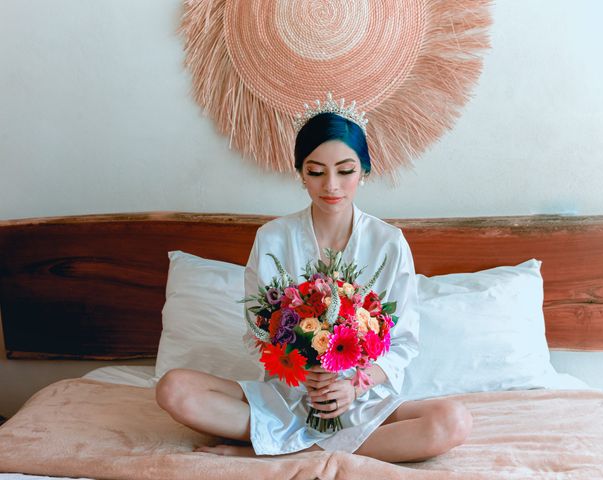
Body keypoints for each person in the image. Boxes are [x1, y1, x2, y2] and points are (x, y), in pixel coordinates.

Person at [155, 94, 473, 463]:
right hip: (286, 395)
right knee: (173, 389)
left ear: (364, 171)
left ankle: (287, 447)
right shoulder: (272, 238)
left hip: (362, 398)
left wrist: (353, 387)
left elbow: (403, 343)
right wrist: (304, 374)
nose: (331, 185)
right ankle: (291, 437)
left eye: (345, 170)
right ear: (300, 173)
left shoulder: (388, 242)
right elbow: (256, 332)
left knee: (453, 422)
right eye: (316, 171)